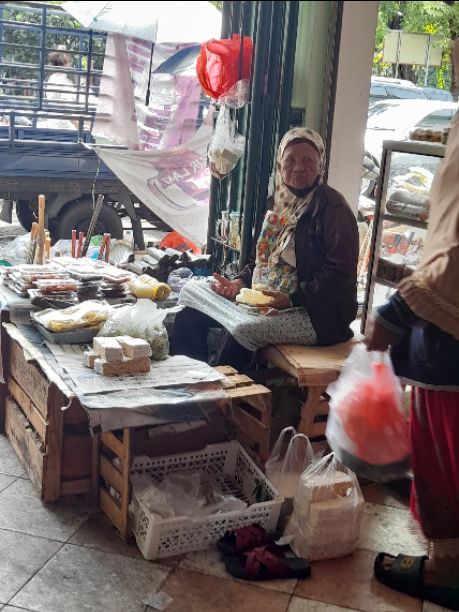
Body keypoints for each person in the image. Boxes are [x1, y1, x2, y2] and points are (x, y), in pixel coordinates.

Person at [366, 112, 459, 609]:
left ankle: (447, 569)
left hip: (450, 345)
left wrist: (396, 312)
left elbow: (454, 255)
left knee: (445, 460)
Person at [171, 127, 359, 370]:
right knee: (191, 303)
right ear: (280, 164)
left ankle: (222, 391)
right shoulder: (275, 203)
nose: (298, 168)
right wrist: (239, 283)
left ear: (320, 166)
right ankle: (187, 381)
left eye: (308, 161)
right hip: (267, 299)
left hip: (316, 315)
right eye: (290, 160)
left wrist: (291, 300)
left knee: (242, 330)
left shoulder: (333, 208)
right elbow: (256, 260)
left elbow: (340, 275)